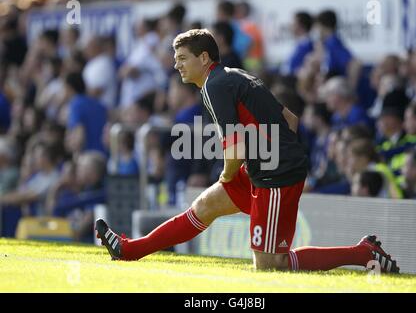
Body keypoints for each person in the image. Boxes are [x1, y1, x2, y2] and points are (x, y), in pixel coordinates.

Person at [95, 29, 399, 273]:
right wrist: (271, 151)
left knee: (270, 265)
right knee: (203, 208)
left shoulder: (215, 86)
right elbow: (290, 120)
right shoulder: (234, 75)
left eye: (182, 58)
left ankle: (363, 253)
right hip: (266, 166)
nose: (176, 64)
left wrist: (241, 171)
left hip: (275, 174)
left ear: (203, 58)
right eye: (175, 58)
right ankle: (128, 250)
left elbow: (235, 145)